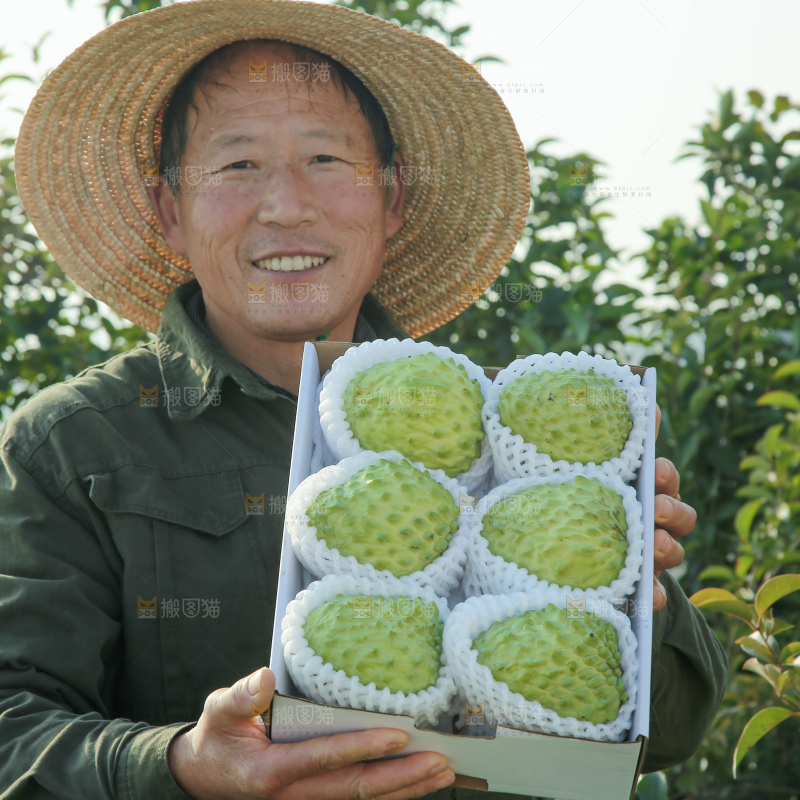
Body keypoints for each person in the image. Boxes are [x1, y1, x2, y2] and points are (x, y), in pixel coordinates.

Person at [1, 2, 726, 798]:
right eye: (237, 165)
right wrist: (180, 764)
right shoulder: (71, 447)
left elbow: (671, 729)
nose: (286, 205)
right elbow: (12, 727)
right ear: (170, 209)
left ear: (392, 197)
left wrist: (638, 587)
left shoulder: (505, 430)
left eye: (325, 158)